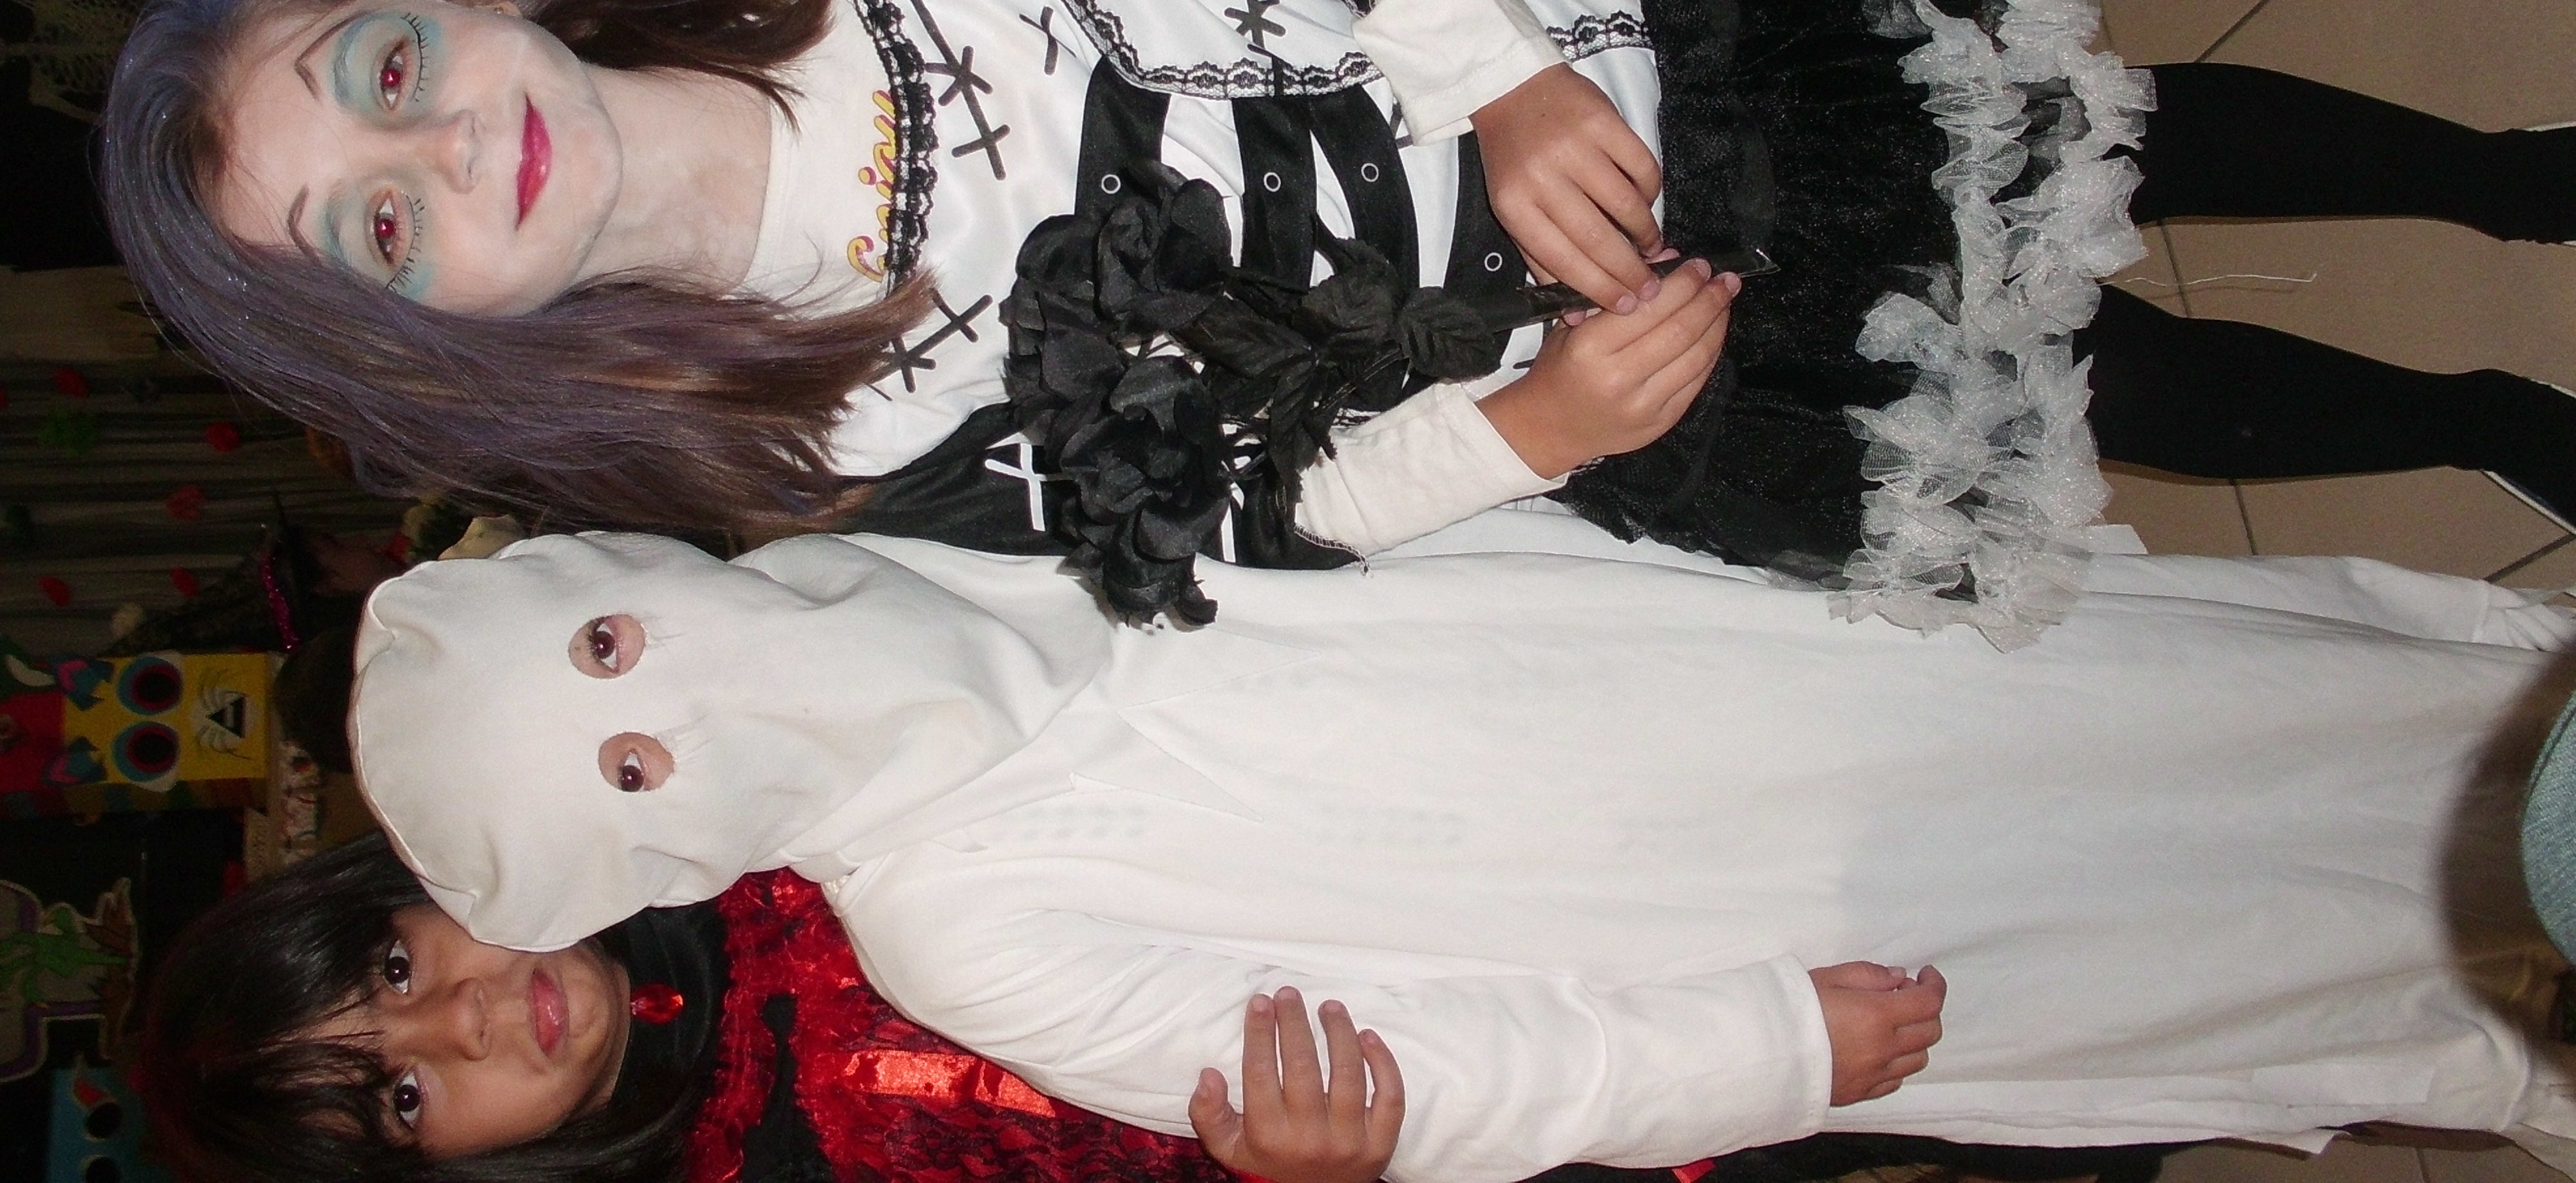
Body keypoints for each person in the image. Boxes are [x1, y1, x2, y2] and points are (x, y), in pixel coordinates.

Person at [95, 0, 2576, 643]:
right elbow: (1231, 513)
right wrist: (1538, 434)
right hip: (1578, 356)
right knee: (2095, 379)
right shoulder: (816, 441)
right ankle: (2493, 426)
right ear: (427, 337)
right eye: (383, 224)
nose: (449, 141)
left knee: (2098, 130)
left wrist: (1495, 76)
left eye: (385, 69)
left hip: (1599, 65)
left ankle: (2522, 180)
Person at [340, 513, 2576, 1180]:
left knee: (2216, 707)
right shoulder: (960, 938)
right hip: (1750, 908)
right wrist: (1756, 1052)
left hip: (1763, 658)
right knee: (2216, 933)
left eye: (619, 648)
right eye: (631, 776)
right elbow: (1410, 1082)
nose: (692, 715)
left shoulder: (957, 521)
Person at [135, 828, 2018, 1183]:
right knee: (1999, 1076)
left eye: (397, 971)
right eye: (401, 1096)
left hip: (1497, 848)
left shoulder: (715, 804)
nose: (467, 1023)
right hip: (1511, 1113)